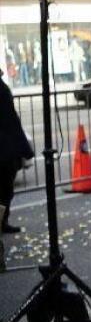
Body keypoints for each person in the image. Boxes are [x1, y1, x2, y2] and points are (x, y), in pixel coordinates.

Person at [1, 75, 35, 234]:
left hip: (7, 146)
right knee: (5, 188)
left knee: (6, 188)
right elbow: (11, 119)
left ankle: (3, 221)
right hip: (4, 147)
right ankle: (2, 221)